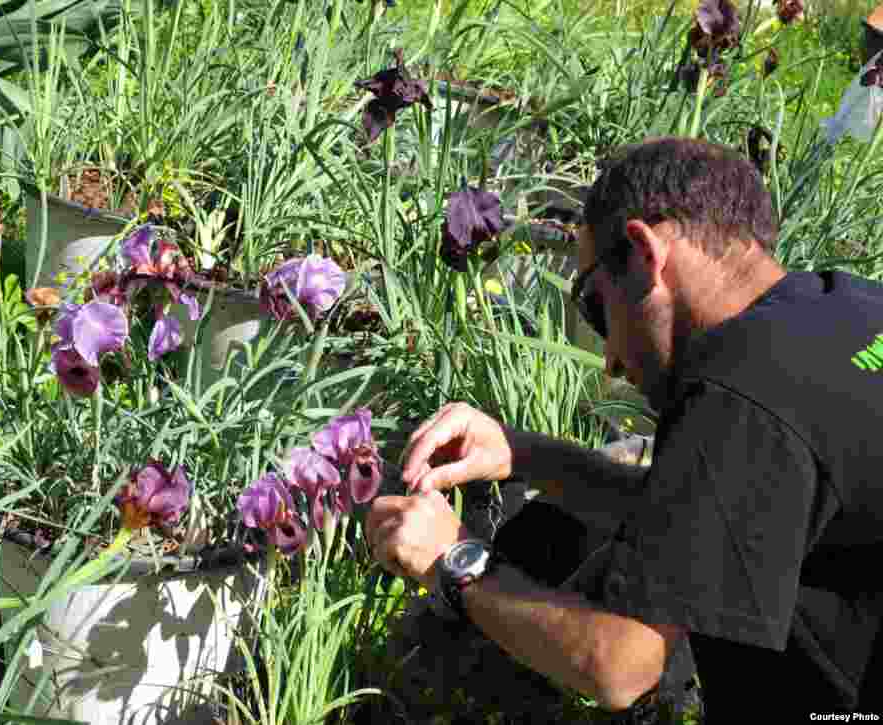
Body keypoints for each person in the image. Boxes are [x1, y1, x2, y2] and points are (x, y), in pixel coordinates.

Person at [365, 136, 883, 720]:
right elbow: (710, 525)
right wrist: (525, 453)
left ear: (642, 253)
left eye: (594, 304)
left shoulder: (741, 387)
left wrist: (453, 559)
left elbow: (619, 666)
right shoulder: (850, 311)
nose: (609, 358)